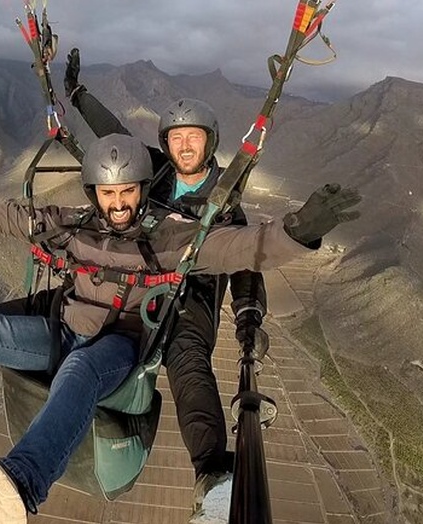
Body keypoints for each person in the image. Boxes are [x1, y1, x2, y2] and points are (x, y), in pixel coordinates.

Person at [0, 134, 360, 523]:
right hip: (60, 322)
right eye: (111, 192)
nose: (122, 202)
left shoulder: (172, 239)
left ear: (139, 191)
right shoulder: (73, 225)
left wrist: (302, 228)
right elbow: (12, 217)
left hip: (118, 344)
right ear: (95, 193)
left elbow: (241, 247)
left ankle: (21, 487)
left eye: (129, 191)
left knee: (77, 372)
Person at [64, 47, 269, 509]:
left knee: (184, 356)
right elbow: (115, 133)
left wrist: (250, 318)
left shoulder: (224, 202)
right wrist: (78, 96)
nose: (184, 146)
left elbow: (244, 260)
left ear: (209, 143)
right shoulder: (154, 172)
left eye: (193, 137)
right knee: (78, 311)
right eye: (176, 138)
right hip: (138, 279)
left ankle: (212, 474)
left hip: (189, 295)